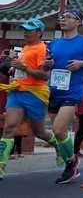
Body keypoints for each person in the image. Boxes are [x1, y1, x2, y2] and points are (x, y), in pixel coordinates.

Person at [45, 8, 83, 184]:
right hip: (54, 90)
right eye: (62, 17)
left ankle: (70, 164)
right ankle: (71, 163)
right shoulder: (53, 43)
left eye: (68, 17)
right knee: (59, 133)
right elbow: (44, 68)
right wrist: (45, 64)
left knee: (57, 129)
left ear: (78, 22)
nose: (63, 20)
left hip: (73, 91)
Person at [0, 19, 59, 181]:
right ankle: (1, 166)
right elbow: (18, 72)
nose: (25, 33)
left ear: (39, 32)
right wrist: (9, 63)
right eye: (24, 30)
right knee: (9, 127)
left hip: (34, 94)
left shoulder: (42, 50)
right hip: (17, 92)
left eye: (29, 30)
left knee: (39, 132)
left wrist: (23, 67)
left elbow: (44, 75)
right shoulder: (25, 48)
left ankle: (59, 147)